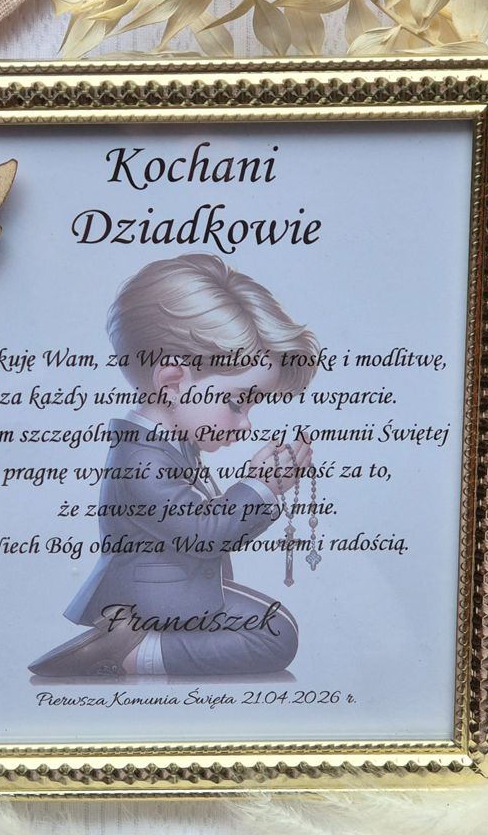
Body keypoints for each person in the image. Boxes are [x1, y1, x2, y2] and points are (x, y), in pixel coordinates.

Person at [29, 253, 317, 679]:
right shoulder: (141, 459)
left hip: (176, 592)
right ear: (172, 383)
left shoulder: (170, 448)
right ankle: (132, 653)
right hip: (153, 600)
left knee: (276, 628)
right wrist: (261, 485)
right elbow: (203, 534)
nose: (246, 423)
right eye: (237, 403)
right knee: (273, 636)